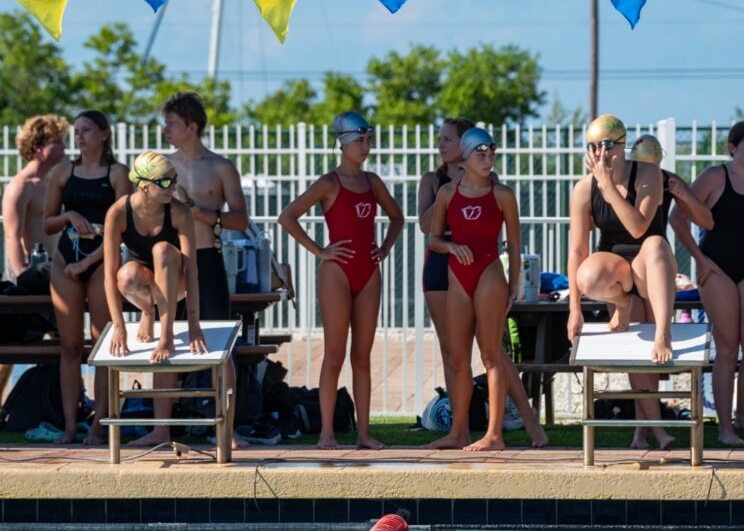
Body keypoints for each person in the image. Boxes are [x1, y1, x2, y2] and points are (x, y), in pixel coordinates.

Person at [417, 118, 547, 448]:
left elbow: (514, 245)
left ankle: (494, 434)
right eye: (481, 154)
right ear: (467, 155)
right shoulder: (442, 189)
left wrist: (515, 283)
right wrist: (450, 246)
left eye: (492, 154)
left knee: (491, 354)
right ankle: (458, 432)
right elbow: (432, 237)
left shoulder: (501, 193)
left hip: (489, 271)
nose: (488, 160)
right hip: (454, 274)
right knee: (457, 357)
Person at [278, 111, 404, 450]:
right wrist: (320, 251)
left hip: (368, 271)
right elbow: (287, 217)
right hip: (336, 272)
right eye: (360, 140)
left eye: (369, 140)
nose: (366, 146)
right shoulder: (329, 183)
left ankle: (364, 433)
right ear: (344, 143)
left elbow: (398, 218)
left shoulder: (373, 182)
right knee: (335, 353)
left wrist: (386, 248)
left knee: (362, 356)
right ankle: (326, 434)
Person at [669, 120, 744, 445]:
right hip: (716, 269)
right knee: (727, 348)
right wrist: (698, 257)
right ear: (732, 147)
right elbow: (677, 217)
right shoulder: (714, 177)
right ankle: (724, 427)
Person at [567, 115, 676, 450]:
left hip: (649, 267)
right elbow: (577, 250)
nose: (600, 153)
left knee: (656, 244)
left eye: (607, 146)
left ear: (622, 145)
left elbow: (639, 228)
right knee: (587, 274)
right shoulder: (584, 188)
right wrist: (575, 309)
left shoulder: (647, 173)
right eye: (593, 147)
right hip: (616, 271)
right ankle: (653, 431)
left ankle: (663, 332)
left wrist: (609, 187)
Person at [163, 91, 249, 449]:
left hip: (206, 257)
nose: (166, 129)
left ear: (192, 126)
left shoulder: (220, 167)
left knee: (219, 347)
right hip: (168, 260)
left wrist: (197, 211)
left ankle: (226, 426)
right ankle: (160, 428)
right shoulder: (162, 166)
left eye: (172, 123)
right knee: (164, 343)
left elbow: (241, 220)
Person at [102, 151, 207, 444]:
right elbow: (109, 276)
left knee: (162, 250)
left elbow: (193, 268)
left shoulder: (178, 211)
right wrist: (119, 325)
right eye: (165, 181)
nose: (173, 187)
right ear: (144, 185)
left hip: (179, 282)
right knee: (126, 274)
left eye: (174, 180)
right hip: (145, 287)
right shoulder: (118, 213)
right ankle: (148, 313)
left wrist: (193, 324)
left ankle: (166, 331)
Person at [43, 110, 131, 444]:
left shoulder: (117, 174)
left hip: (101, 262)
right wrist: (69, 214)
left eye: (87, 130)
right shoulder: (63, 173)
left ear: (104, 134)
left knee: (104, 346)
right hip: (67, 259)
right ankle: (70, 425)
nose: (79, 137)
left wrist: (92, 261)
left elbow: (125, 228)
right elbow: (48, 222)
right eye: (76, 131)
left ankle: (99, 426)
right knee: (69, 348)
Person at [625, 134, 714, 449]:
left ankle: (642, 431)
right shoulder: (621, 178)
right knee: (638, 352)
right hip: (626, 267)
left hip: (656, 267)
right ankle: (654, 429)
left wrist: (685, 197)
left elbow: (707, 221)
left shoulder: (667, 180)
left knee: (649, 352)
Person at [3, 114, 68, 287]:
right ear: (37, 147)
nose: (64, 147)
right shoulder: (20, 186)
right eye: (57, 142)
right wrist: (22, 278)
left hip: (52, 272)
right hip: (29, 274)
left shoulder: (50, 183)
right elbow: (12, 236)